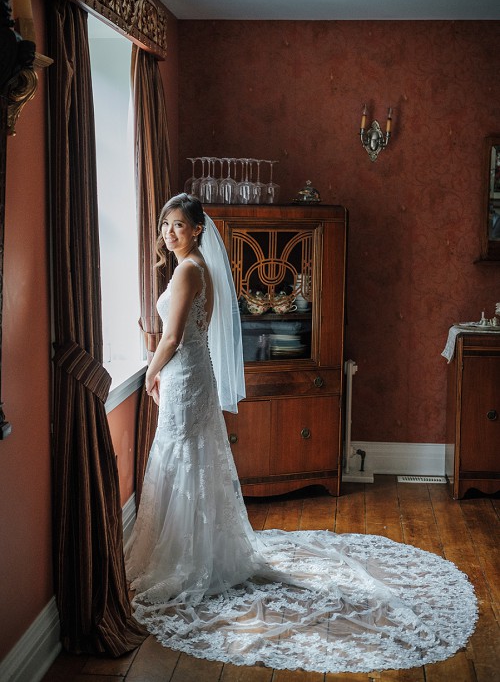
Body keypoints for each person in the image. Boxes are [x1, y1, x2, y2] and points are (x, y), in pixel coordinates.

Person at [124, 193, 477, 674]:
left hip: (185, 374)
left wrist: (149, 371)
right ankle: (195, 548)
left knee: (184, 456)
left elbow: (172, 335)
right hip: (188, 372)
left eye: (180, 225)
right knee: (190, 458)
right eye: (166, 224)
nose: (170, 232)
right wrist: (162, 365)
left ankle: (189, 558)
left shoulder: (189, 270)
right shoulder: (189, 265)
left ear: (199, 229)